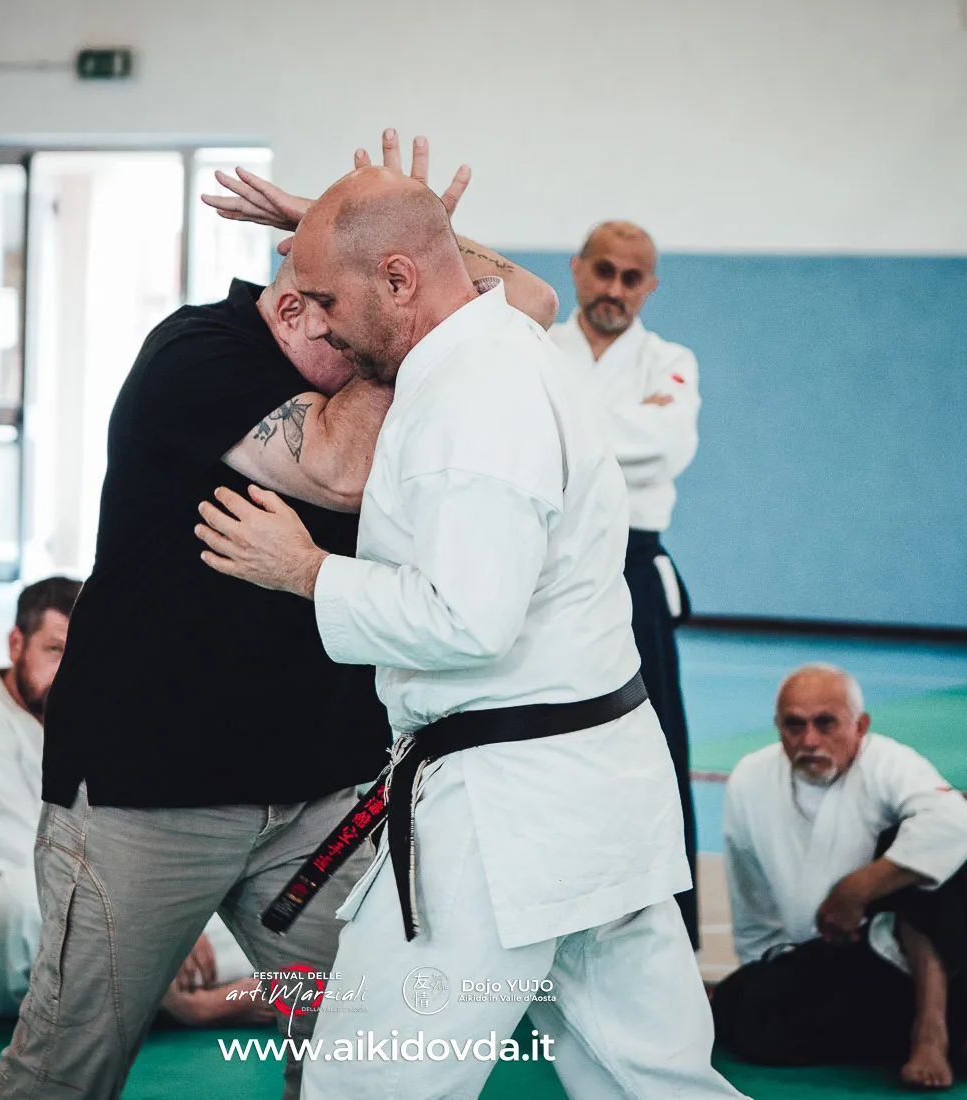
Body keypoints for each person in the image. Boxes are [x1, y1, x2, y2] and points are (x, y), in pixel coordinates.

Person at [0, 133, 560, 1100]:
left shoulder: (366, 321)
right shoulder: (194, 356)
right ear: (293, 307)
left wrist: (394, 246)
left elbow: (531, 304)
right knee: (67, 1064)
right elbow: (340, 466)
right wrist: (392, 305)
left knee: (361, 1049)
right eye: (344, 323)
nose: (375, 347)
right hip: (147, 794)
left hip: (317, 794)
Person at [196, 167, 741, 1100]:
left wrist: (307, 570)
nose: (317, 324)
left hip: (506, 814)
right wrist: (331, 224)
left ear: (398, 280)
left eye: (327, 299)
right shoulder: (504, 348)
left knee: (368, 1082)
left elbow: (468, 618)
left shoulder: (474, 395)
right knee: (651, 1080)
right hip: (590, 794)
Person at [0, 575, 269, 1027]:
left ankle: (198, 991)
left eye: (83, 652)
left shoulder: (98, 719)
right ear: (16, 644)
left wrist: (178, 911)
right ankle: (196, 1003)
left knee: (249, 904)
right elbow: (51, 873)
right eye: (55, 650)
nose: (71, 669)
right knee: (27, 903)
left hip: (103, 914)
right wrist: (157, 922)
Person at [713, 663, 967, 1089]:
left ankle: (931, 1032)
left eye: (825, 723)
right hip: (830, 960)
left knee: (943, 869)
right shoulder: (750, 779)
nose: (809, 740)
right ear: (778, 727)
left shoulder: (887, 763)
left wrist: (856, 890)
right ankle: (960, 1029)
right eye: (794, 725)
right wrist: (763, 974)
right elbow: (751, 896)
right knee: (736, 1009)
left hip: (905, 954)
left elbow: (958, 824)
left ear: (860, 726)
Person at [547, 220, 704, 948]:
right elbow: (629, 442)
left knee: (655, 748)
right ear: (577, 269)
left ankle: (671, 936)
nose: (614, 288)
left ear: (650, 287)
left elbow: (665, 447)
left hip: (632, 567)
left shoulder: (670, 361)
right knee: (546, 740)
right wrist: (616, 428)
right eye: (603, 270)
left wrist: (560, 429)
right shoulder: (535, 348)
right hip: (546, 564)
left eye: (631, 277)